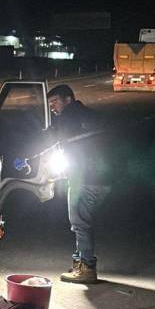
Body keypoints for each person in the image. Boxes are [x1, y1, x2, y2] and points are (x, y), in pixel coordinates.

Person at [46, 84, 111, 284]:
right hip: (101, 178)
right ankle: (80, 263)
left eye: (55, 101)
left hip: (84, 179)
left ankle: (87, 267)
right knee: (81, 221)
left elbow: (59, 140)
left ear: (68, 99)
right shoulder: (88, 115)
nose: (52, 107)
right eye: (50, 104)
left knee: (79, 222)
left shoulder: (70, 116)